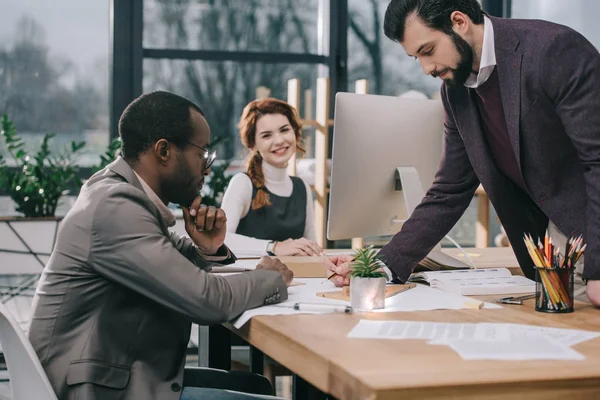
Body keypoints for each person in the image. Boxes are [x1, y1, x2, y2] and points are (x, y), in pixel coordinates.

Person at [325, 0, 600, 306]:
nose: (426, 69)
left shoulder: (553, 50)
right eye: (416, 57)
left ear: (459, 22)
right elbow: (450, 189)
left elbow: (598, 161)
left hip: (590, 231)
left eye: (428, 51)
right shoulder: (455, 91)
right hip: (555, 249)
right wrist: (380, 265)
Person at [27, 90, 293, 400]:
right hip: (91, 390)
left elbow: (172, 271)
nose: (207, 169)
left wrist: (207, 248)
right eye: (202, 154)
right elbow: (206, 300)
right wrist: (271, 277)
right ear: (164, 151)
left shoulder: (126, 194)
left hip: (112, 372)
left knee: (256, 386)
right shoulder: (115, 206)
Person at [221, 98, 323, 257]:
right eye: (267, 135)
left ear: (295, 132)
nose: (279, 141)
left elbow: (312, 248)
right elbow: (220, 241)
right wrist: (274, 247)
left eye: (284, 130)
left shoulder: (301, 187)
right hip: (251, 280)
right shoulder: (243, 184)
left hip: (298, 280)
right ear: (253, 145)